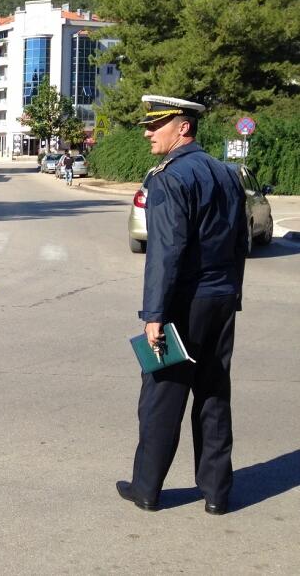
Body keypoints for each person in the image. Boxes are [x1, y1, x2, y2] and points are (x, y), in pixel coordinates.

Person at [116, 95, 249, 516]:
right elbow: (239, 243)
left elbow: (165, 253)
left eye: (156, 125)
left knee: (162, 397)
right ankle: (216, 493)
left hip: (184, 303)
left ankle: (146, 490)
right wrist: (233, 295)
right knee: (213, 393)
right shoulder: (227, 174)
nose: (147, 132)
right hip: (221, 299)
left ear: (183, 127)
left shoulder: (169, 178)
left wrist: (153, 314)